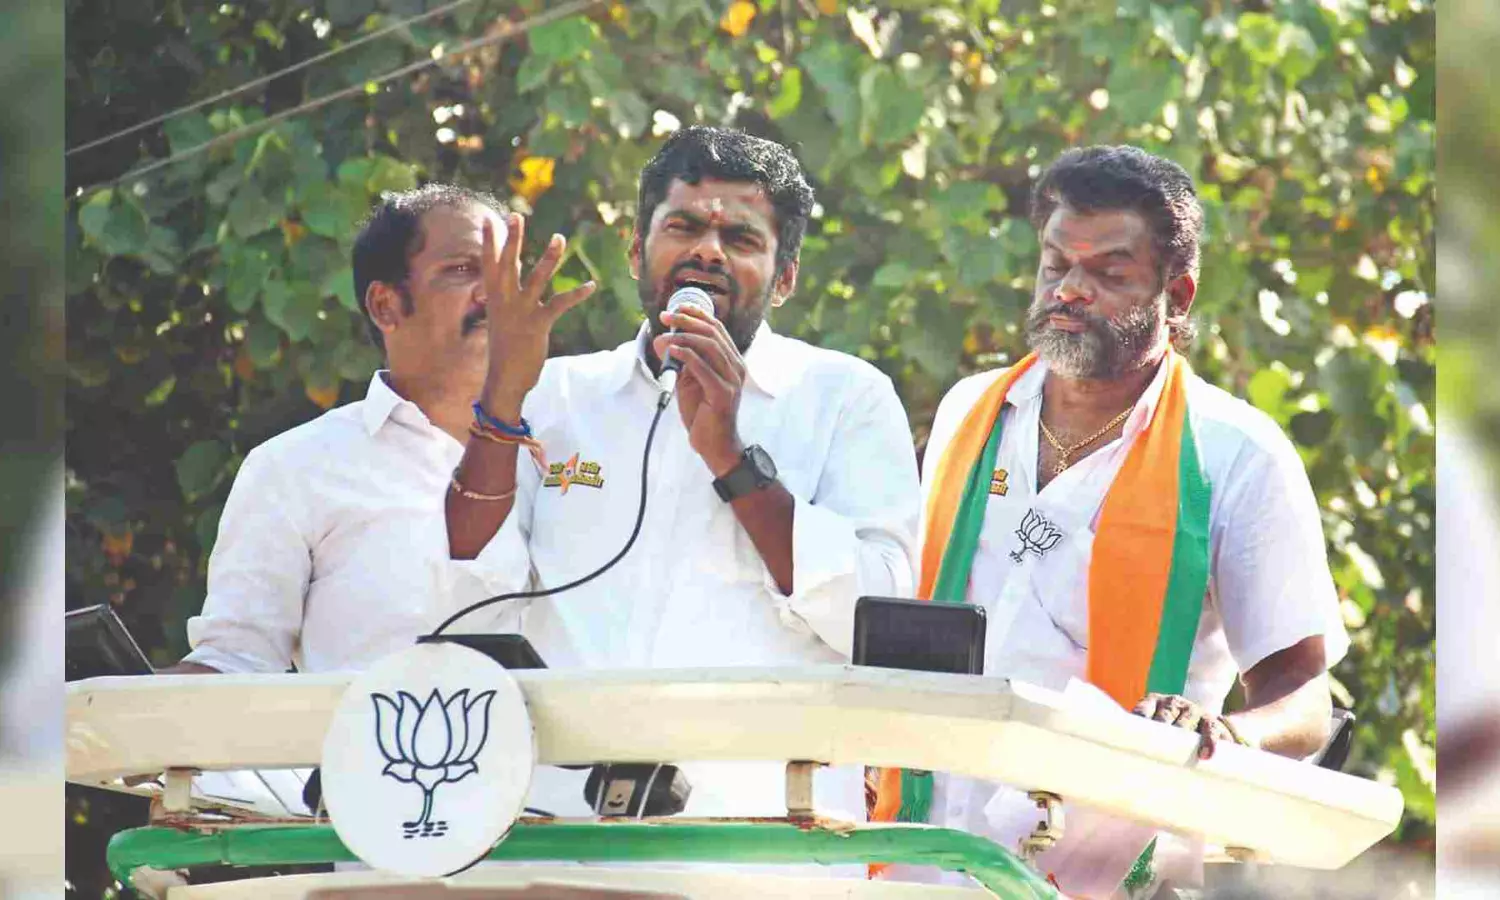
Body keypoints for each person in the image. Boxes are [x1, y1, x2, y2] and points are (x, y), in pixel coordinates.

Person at [874, 145, 1348, 897]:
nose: (1070, 290)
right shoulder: (972, 411)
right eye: (1056, 264)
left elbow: (1305, 699)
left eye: (1109, 274)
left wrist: (1224, 733)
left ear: (1177, 294)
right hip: (914, 859)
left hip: (1106, 869)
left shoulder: (1237, 455)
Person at [444, 125, 921, 823]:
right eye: (684, 227)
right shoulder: (556, 393)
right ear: (637, 251)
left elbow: (876, 617)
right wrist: (500, 400)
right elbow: (467, 590)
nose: (708, 251)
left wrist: (732, 459)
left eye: (742, 238)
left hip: (759, 837)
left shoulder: (846, 397)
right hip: (555, 828)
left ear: (785, 278)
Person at [164, 184, 594, 676]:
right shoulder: (296, 467)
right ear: (385, 305)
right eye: (462, 270)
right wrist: (103, 700)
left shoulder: (573, 442)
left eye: (504, 274)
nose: (493, 294)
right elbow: (233, 664)